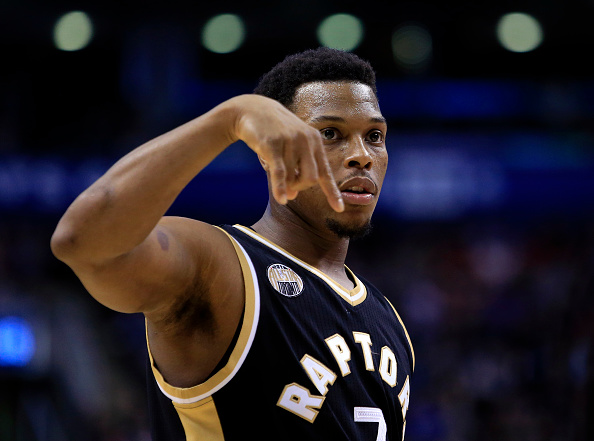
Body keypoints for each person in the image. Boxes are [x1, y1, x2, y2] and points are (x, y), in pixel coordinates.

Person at [51, 47, 415, 440]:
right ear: (269, 151)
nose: (361, 156)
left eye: (374, 136)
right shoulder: (223, 268)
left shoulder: (389, 319)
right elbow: (82, 242)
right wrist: (229, 118)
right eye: (330, 133)